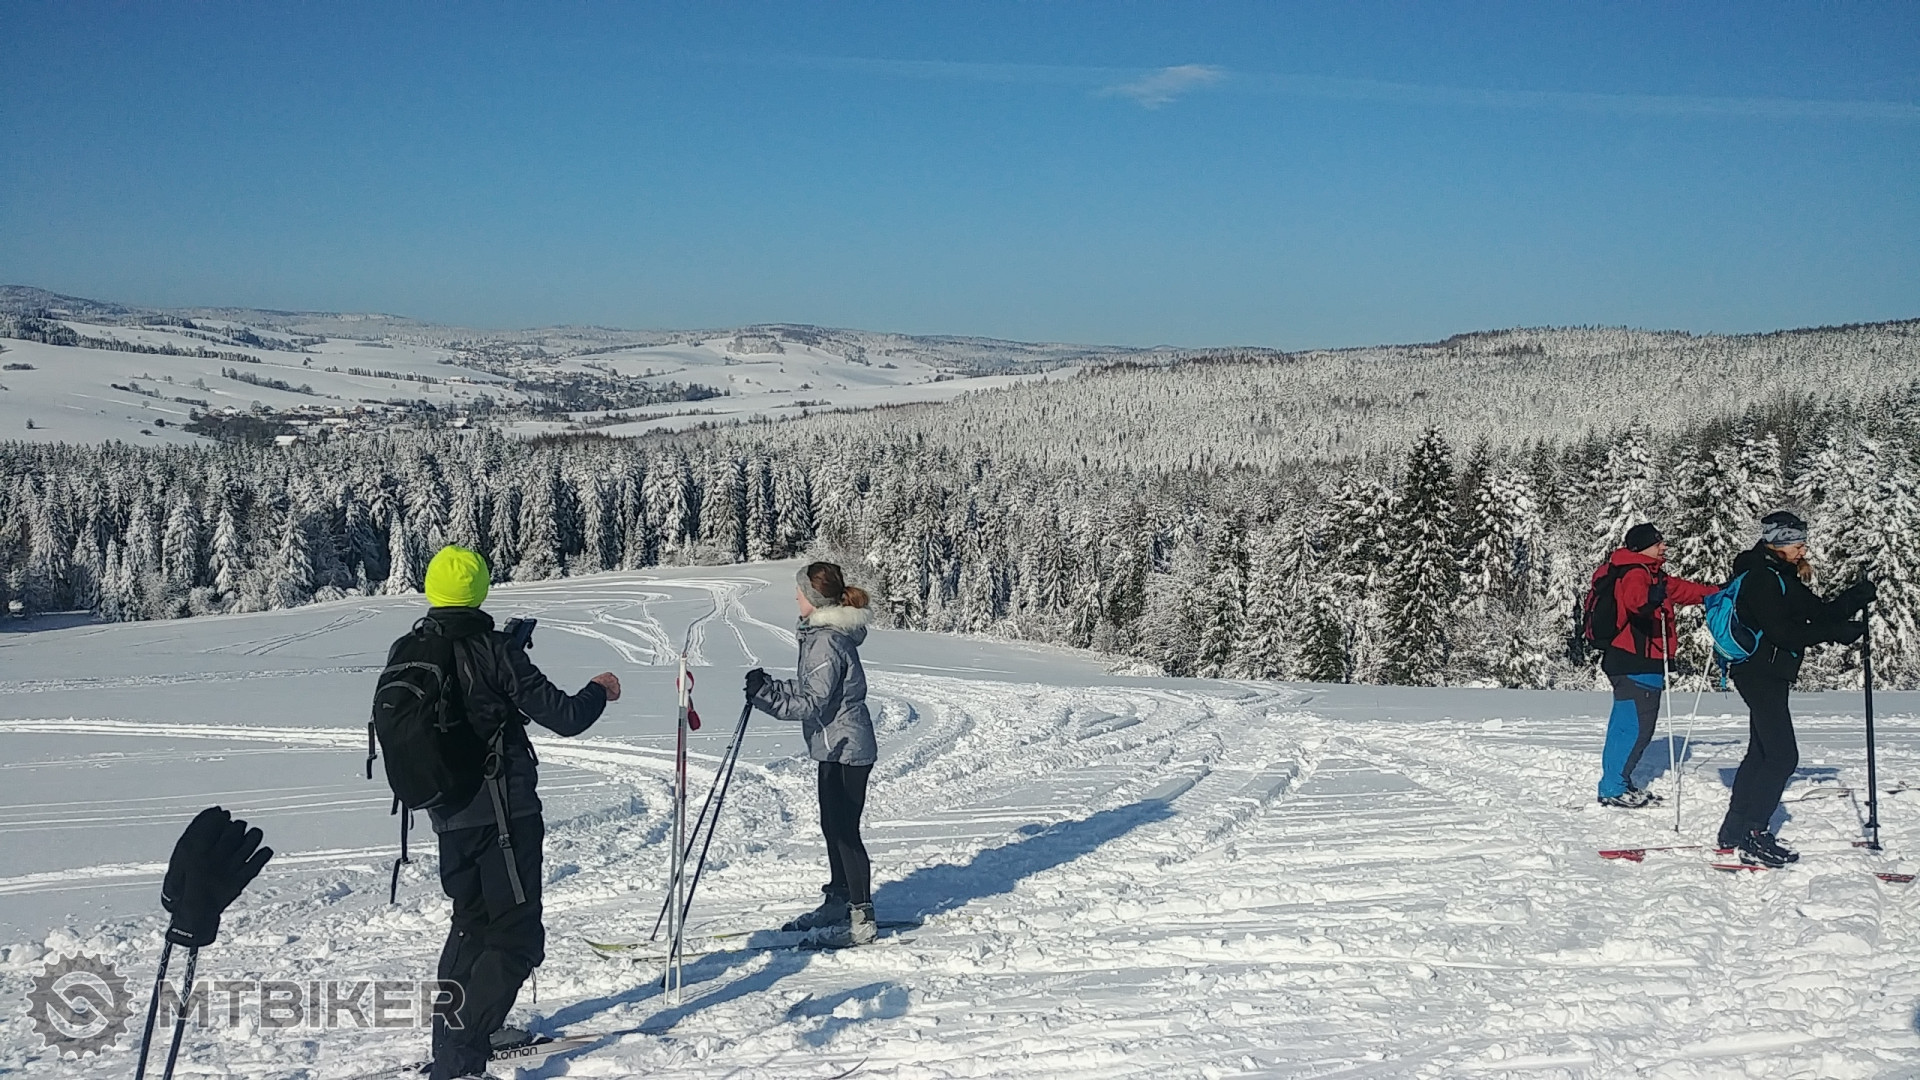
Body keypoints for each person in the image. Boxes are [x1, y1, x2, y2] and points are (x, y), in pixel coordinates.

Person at [415, 546, 622, 1080]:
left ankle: (454, 1039)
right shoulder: (495, 650)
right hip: (504, 815)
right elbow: (566, 717)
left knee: (470, 925)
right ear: (480, 590)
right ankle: (462, 1054)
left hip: (447, 813)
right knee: (516, 936)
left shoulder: (411, 647)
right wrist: (599, 690)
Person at [1716, 511, 1872, 867]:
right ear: (1778, 543)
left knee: (1761, 752)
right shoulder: (1761, 578)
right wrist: (1834, 632)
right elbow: (1783, 633)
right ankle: (1755, 834)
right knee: (1783, 756)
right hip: (1758, 673)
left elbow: (1819, 613)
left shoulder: (1781, 575)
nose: (1803, 549)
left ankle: (1735, 830)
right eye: (1797, 543)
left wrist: (1856, 598)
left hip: (1770, 673)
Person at [745, 562, 878, 945]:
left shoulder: (827, 640)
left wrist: (766, 698)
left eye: (800, 591)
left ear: (815, 599)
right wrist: (770, 686)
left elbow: (812, 703)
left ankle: (862, 918)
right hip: (832, 745)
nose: (795, 597)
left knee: (845, 831)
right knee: (831, 826)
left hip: (847, 746)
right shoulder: (821, 635)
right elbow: (813, 687)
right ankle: (838, 900)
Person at [1591, 523, 1718, 808]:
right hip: (1635, 661)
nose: (1664, 546)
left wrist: (1716, 592)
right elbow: (1635, 601)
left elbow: (1682, 590)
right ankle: (1613, 788)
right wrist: (1650, 598)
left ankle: (1617, 783)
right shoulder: (1636, 572)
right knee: (1634, 728)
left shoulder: (1650, 573)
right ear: (1642, 547)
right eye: (1657, 543)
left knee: (1628, 726)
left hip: (1632, 661)